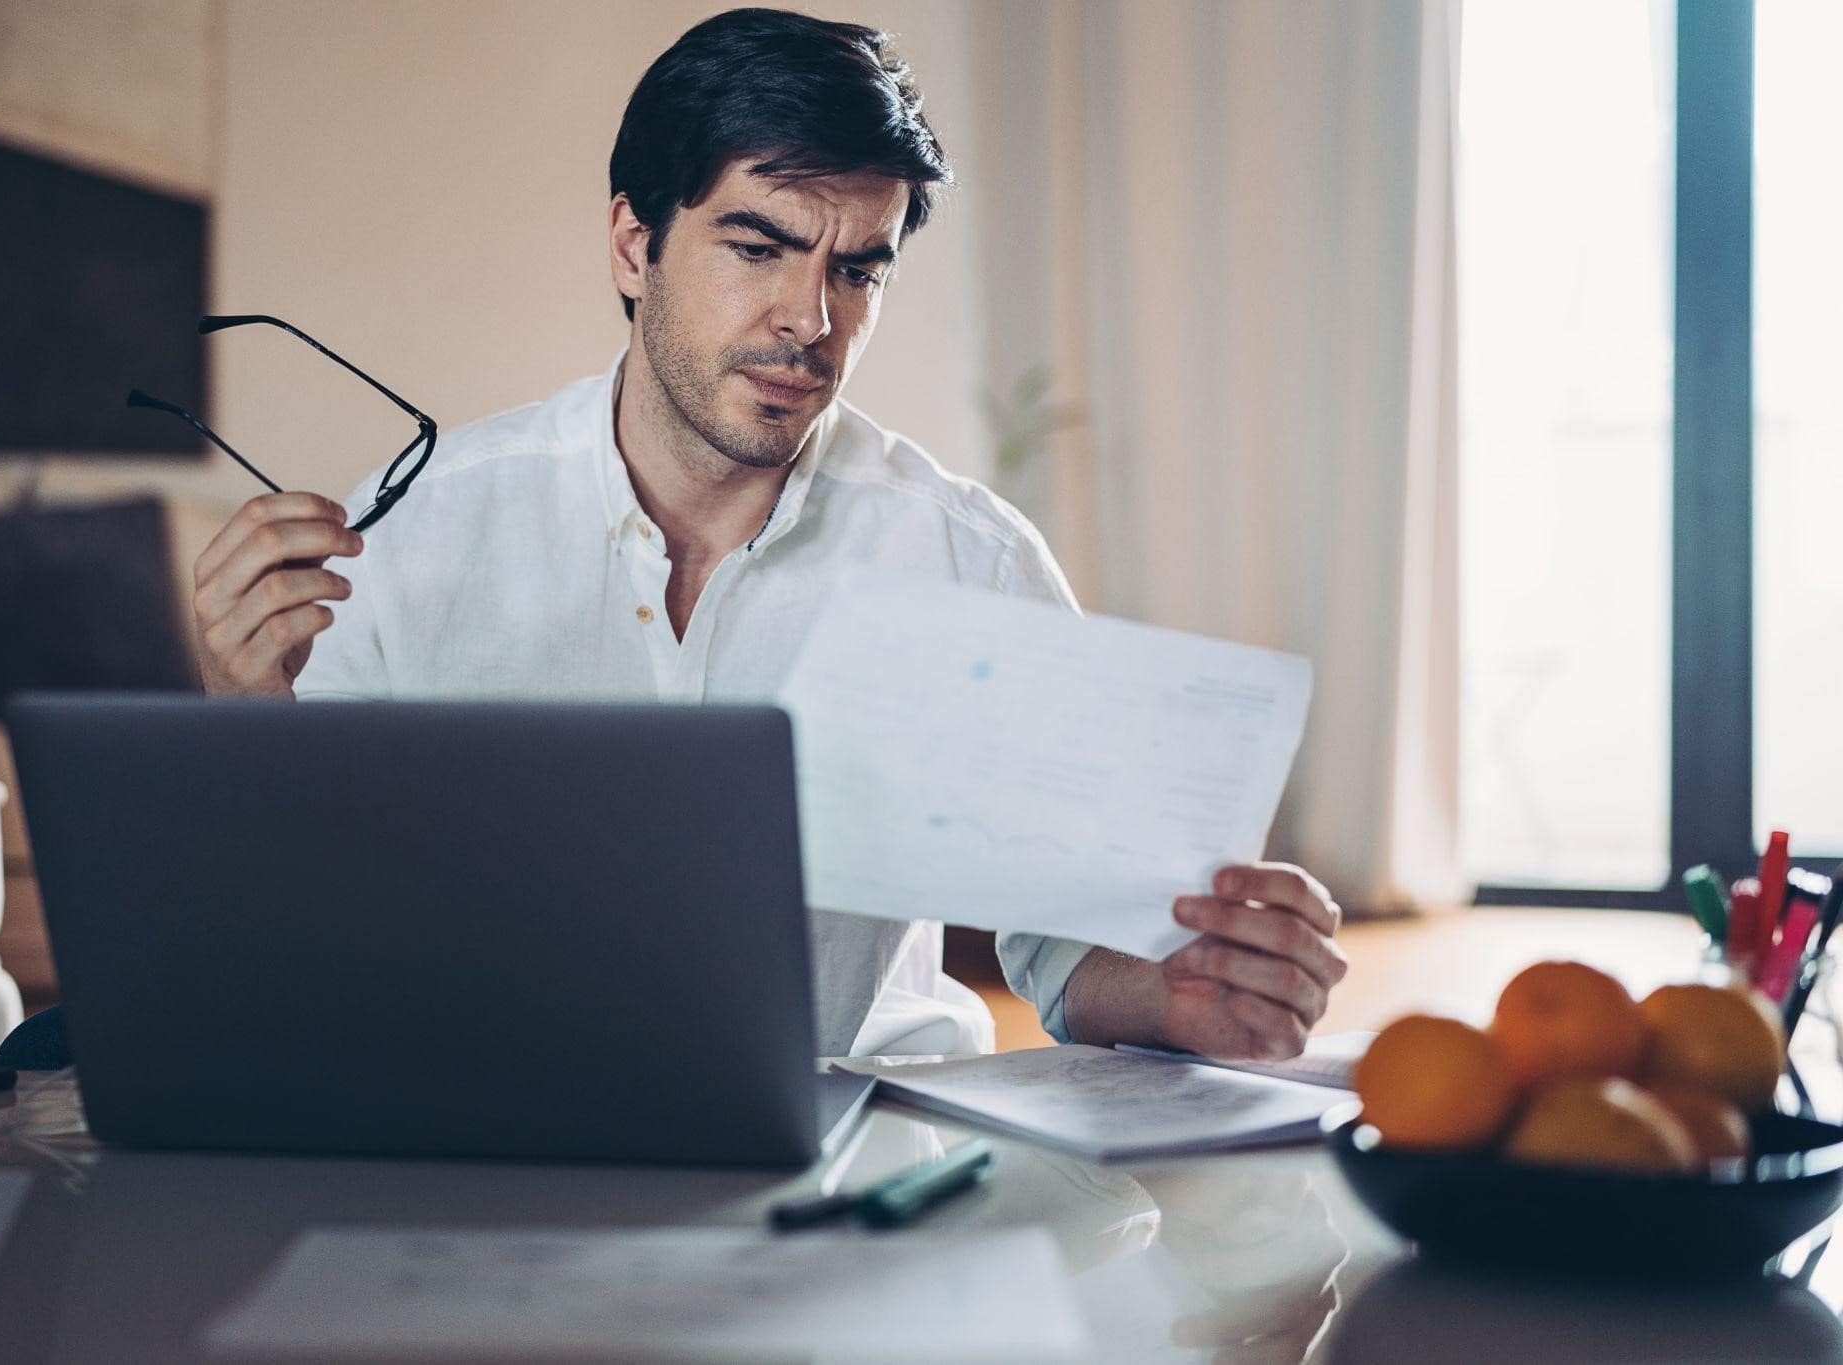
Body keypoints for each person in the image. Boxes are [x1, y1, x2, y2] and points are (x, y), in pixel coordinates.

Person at [186, 7, 1345, 1059]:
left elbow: (1068, 950)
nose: (810, 319)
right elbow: (295, 932)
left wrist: (1183, 992)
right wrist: (246, 717)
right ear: (634, 246)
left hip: (857, 1163)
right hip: (495, 1141)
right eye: (758, 249)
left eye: (857, 270)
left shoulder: (969, 563)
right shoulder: (419, 527)